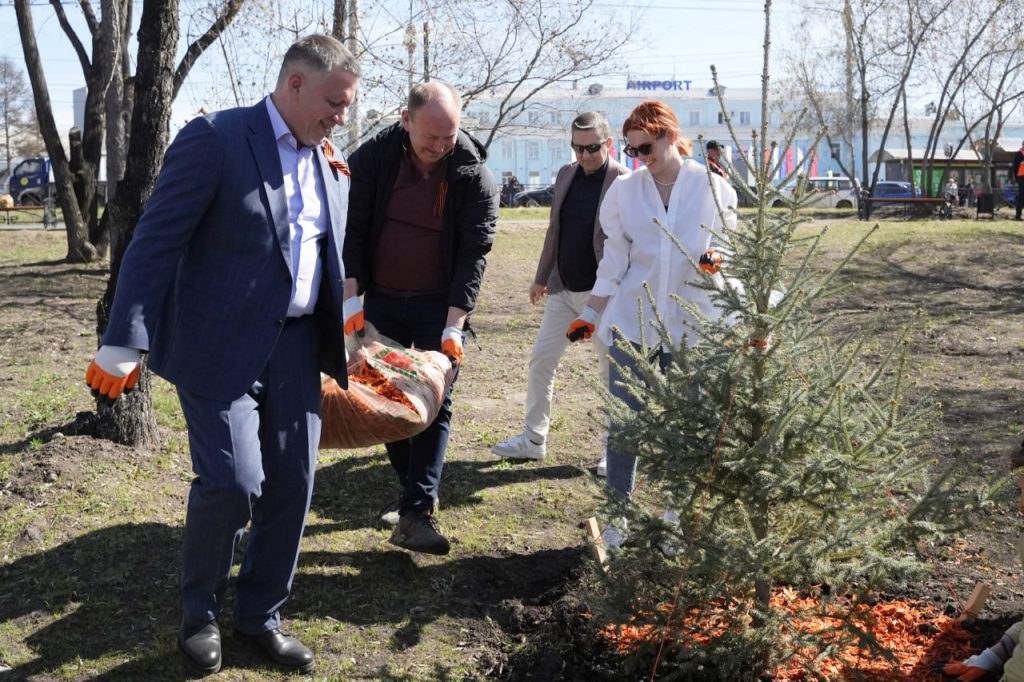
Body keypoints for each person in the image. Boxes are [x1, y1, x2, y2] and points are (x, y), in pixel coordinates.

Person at [83, 35, 359, 674]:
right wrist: (124, 340)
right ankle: (199, 614)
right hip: (217, 344)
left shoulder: (329, 161)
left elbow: (324, 256)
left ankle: (260, 614)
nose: (340, 115)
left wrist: (354, 325)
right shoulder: (216, 139)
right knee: (235, 485)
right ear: (294, 85)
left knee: (293, 485)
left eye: (345, 106)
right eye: (333, 103)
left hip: (295, 347)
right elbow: (153, 243)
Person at [566, 100, 737, 542]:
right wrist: (590, 312)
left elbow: (728, 243)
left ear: (668, 134)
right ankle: (617, 519)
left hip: (690, 326)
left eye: (646, 146)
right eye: (633, 150)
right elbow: (615, 261)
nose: (640, 157)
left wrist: (716, 258)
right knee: (624, 424)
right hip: (633, 321)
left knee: (688, 423)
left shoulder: (710, 186)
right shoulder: (626, 192)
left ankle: (675, 518)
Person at [342, 81, 498, 556]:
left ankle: (416, 513)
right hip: (382, 299)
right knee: (387, 397)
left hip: (439, 303)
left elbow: (474, 253)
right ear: (405, 120)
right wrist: (351, 304)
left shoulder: (472, 174)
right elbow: (352, 230)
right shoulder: (371, 159)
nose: (439, 147)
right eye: (430, 137)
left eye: (448, 137)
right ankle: (415, 491)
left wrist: (454, 325)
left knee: (435, 399)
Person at [490, 112, 629, 473]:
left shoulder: (625, 182)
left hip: (602, 295)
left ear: (608, 144)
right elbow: (555, 232)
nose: (583, 156)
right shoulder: (566, 175)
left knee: (609, 372)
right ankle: (534, 440)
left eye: (592, 148)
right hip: (562, 288)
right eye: (577, 148)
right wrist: (541, 278)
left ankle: (611, 452)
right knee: (541, 360)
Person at [1013, 141, 1024, 221]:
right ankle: (1018, 215)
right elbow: (1015, 168)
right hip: (1022, 177)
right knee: (1021, 196)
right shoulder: (1018, 154)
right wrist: (1017, 179)